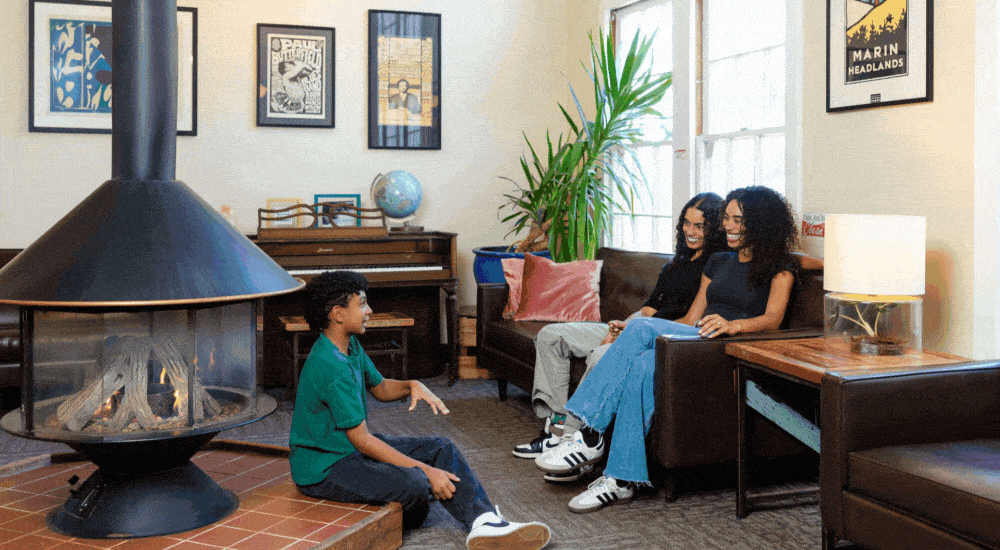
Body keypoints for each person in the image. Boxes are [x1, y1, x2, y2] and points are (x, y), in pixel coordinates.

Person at [533, 186, 809, 514]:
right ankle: (620, 480)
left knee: (640, 327)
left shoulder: (780, 270)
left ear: (762, 225)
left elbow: (773, 320)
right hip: (694, 342)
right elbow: (693, 318)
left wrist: (734, 325)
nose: (730, 227)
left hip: (726, 351)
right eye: (727, 219)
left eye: (740, 220)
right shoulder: (719, 261)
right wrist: (667, 334)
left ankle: (587, 432)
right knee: (643, 364)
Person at [289, 271, 551, 549]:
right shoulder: (331, 365)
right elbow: (362, 440)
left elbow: (380, 388)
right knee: (416, 483)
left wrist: (411, 384)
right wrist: (427, 472)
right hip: (323, 468)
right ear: (338, 313)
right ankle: (385, 518)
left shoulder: (348, 345)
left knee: (441, 447)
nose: (369, 310)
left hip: (347, 451)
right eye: (362, 304)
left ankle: (484, 522)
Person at [511, 193, 727, 481]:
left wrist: (629, 334)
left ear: (714, 228)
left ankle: (569, 439)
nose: (690, 231)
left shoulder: (716, 266)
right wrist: (619, 327)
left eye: (699, 226)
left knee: (602, 355)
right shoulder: (674, 264)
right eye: (686, 223)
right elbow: (650, 307)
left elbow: (687, 323)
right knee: (551, 335)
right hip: (636, 325)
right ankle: (555, 428)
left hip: (657, 336)